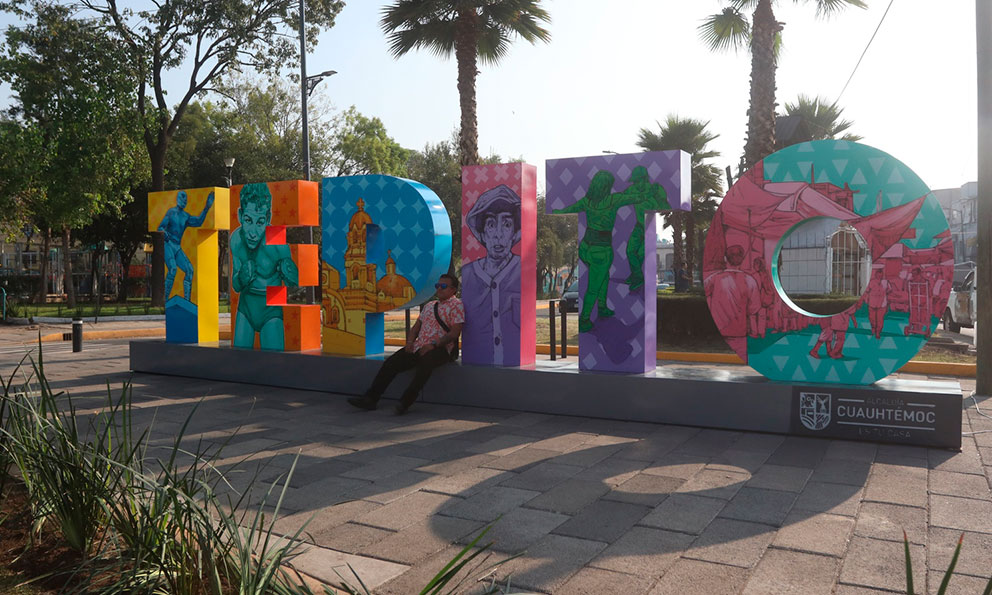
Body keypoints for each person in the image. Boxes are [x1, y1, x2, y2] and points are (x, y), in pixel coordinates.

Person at [348, 274, 464, 415]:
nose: (439, 289)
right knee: (391, 362)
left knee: (425, 364)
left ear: (454, 290)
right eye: (437, 286)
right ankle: (371, 399)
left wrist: (433, 345)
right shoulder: (429, 305)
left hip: (441, 349)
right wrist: (409, 342)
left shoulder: (457, 305)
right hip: (419, 346)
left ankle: (405, 402)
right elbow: (415, 328)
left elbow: (454, 333)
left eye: (443, 286)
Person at [553, 171, 652, 333]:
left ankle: (602, 307)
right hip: (601, 250)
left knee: (603, 276)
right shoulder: (613, 200)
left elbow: (571, 208)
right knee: (593, 287)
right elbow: (636, 198)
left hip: (585, 248)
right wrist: (647, 192)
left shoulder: (587, 201)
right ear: (607, 186)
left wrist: (558, 212)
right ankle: (584, 319)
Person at [230, 183, 298, 350]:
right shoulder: (236, 239)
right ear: (240, 215)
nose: (253, 232)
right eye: (248, 220)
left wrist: (290, 275)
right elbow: (235, 285)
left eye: (260, 222)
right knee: (239, 362)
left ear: (268, 219)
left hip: (271, 311)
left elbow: (295, 285)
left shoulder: (277, 241)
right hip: (246, 307)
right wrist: (241, 278)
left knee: (275, 365)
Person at [461, 185, 522, 365]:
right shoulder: (468, 273)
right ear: (481, 233)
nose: (498, 235)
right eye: (490, 224)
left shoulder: (521, 270)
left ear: (514, 232)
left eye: (507, 224)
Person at [703, 245, 760, 361]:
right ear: (742, 259)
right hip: (739, 331)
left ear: (725, 259)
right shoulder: (750, 280)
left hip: (718, 330)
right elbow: (754, 308)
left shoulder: (713, 279)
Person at [158, 190, 214, 301]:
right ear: (178, 199)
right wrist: (164, 233)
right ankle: (165, 300)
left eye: (186, 198)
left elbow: (198, 222)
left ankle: (186, 301)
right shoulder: (171, 212)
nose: (184, 200)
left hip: (177, 247)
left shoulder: (185, 216)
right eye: (182, 197)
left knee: (190, 270)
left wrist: (206, 208)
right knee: (173, 269)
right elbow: (160, 227)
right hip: (168, 244)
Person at [622, 166, 669, 291]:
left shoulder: (656, 189)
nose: (636, 184)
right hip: (639, 226)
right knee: (630, 251)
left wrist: (655, 198)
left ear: (644, 179)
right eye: (634, 182)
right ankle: (637, 276)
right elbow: (620, 198)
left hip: (649, 228)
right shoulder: (633, 189)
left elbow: (665, 206)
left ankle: (637, 277)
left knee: (641, 253)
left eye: (638, 181)